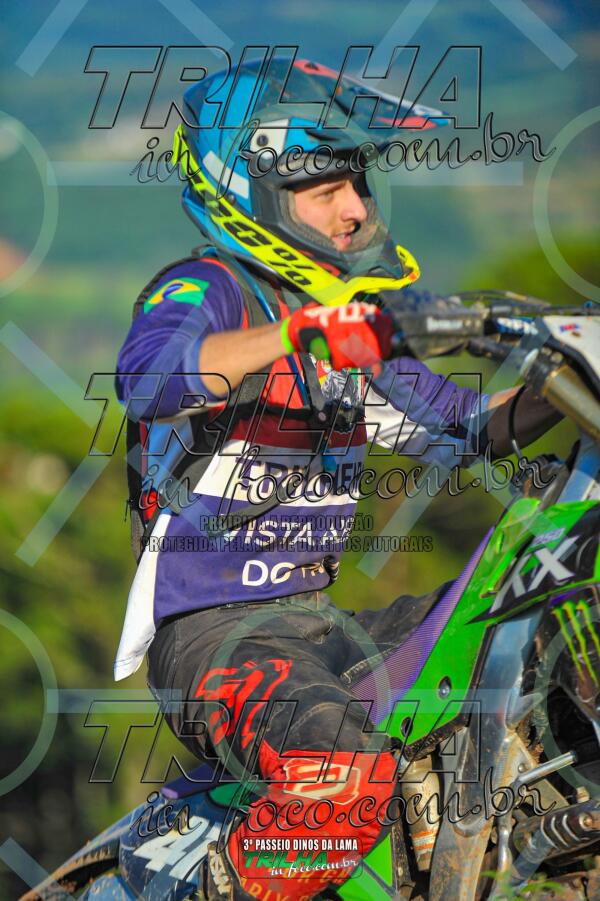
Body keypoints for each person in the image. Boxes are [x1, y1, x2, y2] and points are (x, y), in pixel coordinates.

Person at [114, 58, 560, 900]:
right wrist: (301, 335)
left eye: (356, 184)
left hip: (324, 628)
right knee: (338, 778)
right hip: (216, 641)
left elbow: (467, 428)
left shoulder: (343, 330)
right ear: (250, 196)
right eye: (325, 190)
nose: (356, 207)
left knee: (532, 612)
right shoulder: (210, 288)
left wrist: (567, 377)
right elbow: (148, 377)